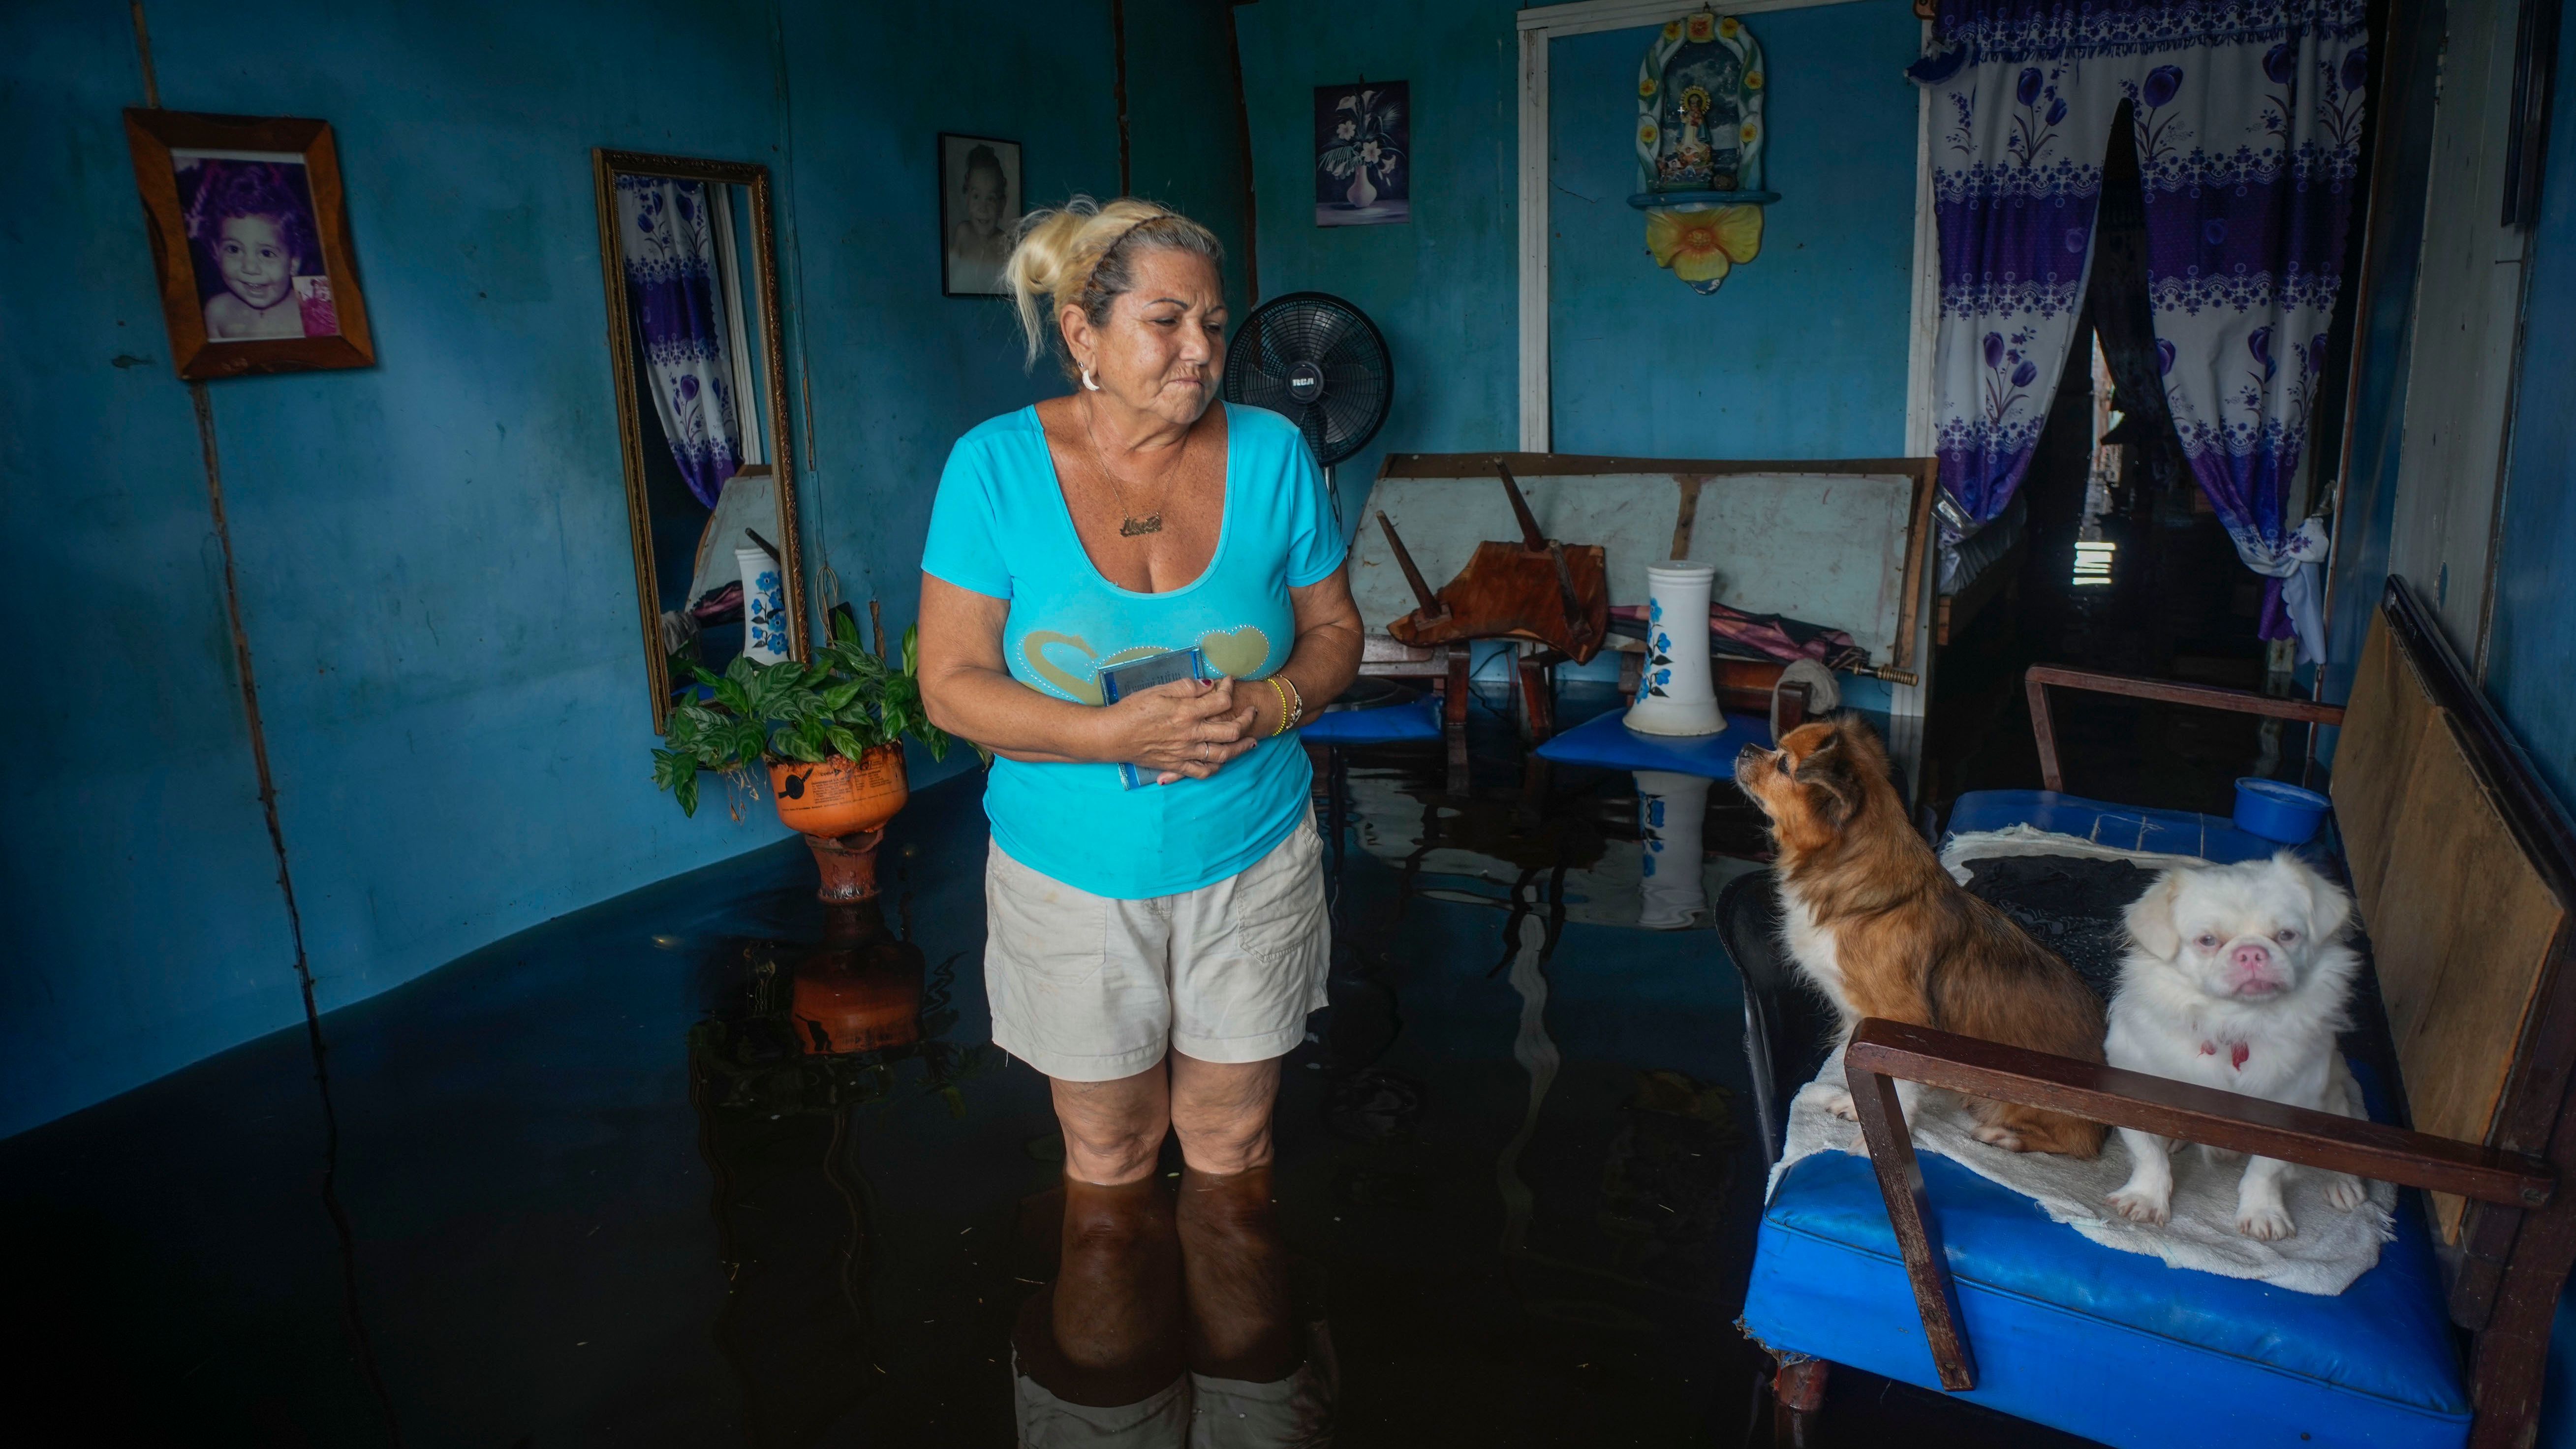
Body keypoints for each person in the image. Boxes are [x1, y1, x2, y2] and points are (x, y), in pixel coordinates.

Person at [916, 195, 1358, 1430]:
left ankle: (1254, 1415)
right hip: (1071, 872)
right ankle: (1110, 1420)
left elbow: (1332, 633)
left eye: (1211, 324)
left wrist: (1273, 700)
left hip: (1253, 855)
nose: (1200, 350)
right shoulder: (994, 467)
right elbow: (947, 684)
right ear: (1082, 333)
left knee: (1233, 1160)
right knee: (1106, 1174)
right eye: (1163, 320)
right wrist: (1108, 733)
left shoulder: (1274, 454)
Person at [185, 161, 320, 340]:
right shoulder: (216, 312)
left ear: (294, 261)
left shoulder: (316, 303)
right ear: (216, 252)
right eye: (234, 249)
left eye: (266, 253)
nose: (249, 267)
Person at [945, 145, 1013, 294]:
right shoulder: (963, 233)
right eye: (977, 197)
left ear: (1002, 205)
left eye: (991, 199)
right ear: (968, 198)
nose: (983, 208)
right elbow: (949, 273)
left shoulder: (1005, 242)